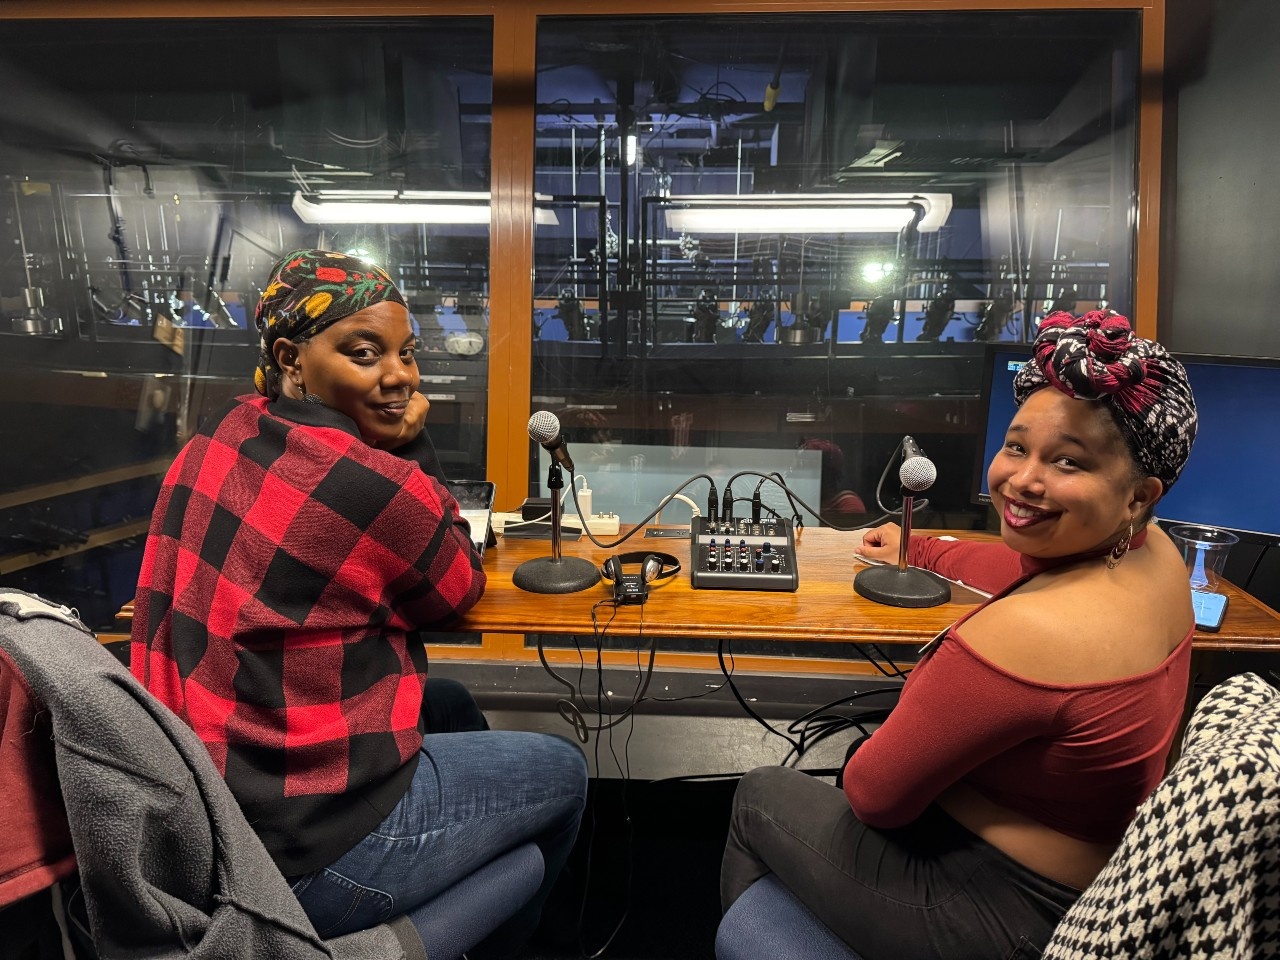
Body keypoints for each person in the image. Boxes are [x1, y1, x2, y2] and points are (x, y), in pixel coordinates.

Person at [131, 249, 587, 953]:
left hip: (200, 808)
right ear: (291, 359)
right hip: (301, 850)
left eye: (407, 352)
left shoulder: (222, 431)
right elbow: (455, 585)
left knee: (449, 703)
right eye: (365, 353)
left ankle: (471, 877)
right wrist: (411, 443)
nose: (400, 376)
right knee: (565, 771)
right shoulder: (364, 484)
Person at [721, 309, 1199, 959]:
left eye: (1067, 461)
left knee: (762, 792)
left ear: (1139, 495)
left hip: (1001, 911)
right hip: (1097, 882)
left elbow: (875, 798)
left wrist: (949, 785)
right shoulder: (1158, 556)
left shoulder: (1026, 635)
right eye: (1017, 447)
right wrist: (921, 549)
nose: (1024, 479)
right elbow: (1029, 566)